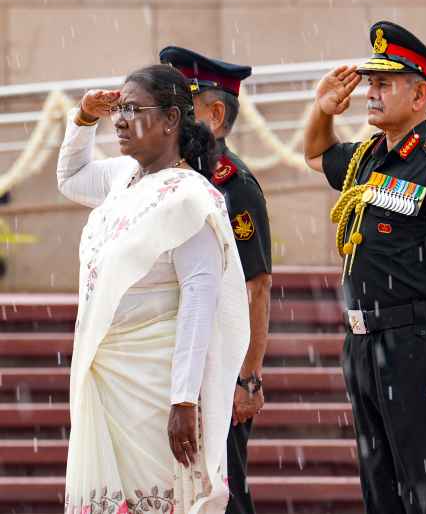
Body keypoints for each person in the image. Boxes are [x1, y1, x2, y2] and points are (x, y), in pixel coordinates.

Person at [57, 64, 250, 514]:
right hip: (107, 376)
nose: (120, 120)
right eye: (118, 109)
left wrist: (184, 399)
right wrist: (84, 119)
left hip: (155, 384)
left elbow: (199, 303)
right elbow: (70, 178)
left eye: (133, 109)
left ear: (170, 120)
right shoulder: (124, 177)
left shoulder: (189, 197)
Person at [303, 21, 426, 514]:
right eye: (371, 83)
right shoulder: (366, 158)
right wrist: (322, 109)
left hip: (414, 342)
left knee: (421, 488)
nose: (371, 94)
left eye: (384, 84)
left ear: (419, 95)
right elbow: (315, 154)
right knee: (378, 488)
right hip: (362, 343)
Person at [160, 46, 273, 514]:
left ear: (216, 113)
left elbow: (257, 286)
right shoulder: (169, 175)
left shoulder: (235, 186)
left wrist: (246, 376)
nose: (176, 119)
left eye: (186, 108)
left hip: (219, 368)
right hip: (176, 362)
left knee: (224, 490)